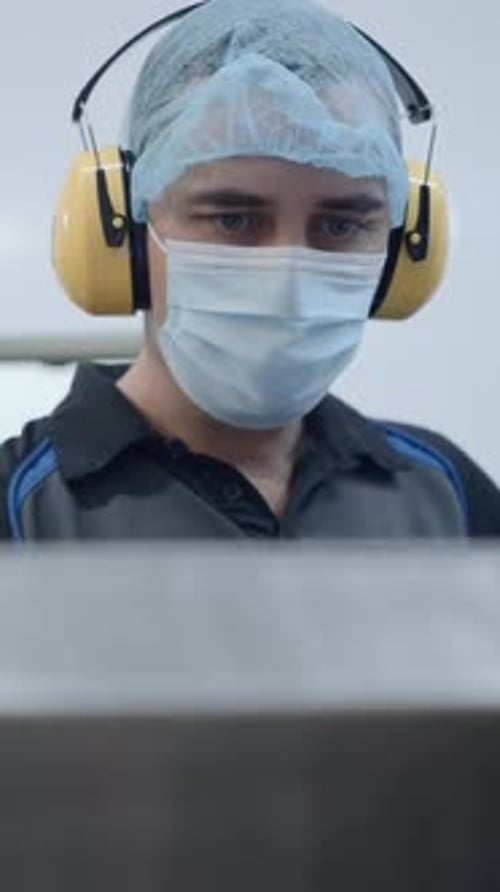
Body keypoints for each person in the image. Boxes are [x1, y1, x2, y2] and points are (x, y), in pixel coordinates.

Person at [1, 0, 499, 541]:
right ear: (123, 232)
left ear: (402, 253)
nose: (287, 278)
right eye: (233, 218)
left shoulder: (449, 496)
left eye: (339, 225)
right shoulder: (18, 510)